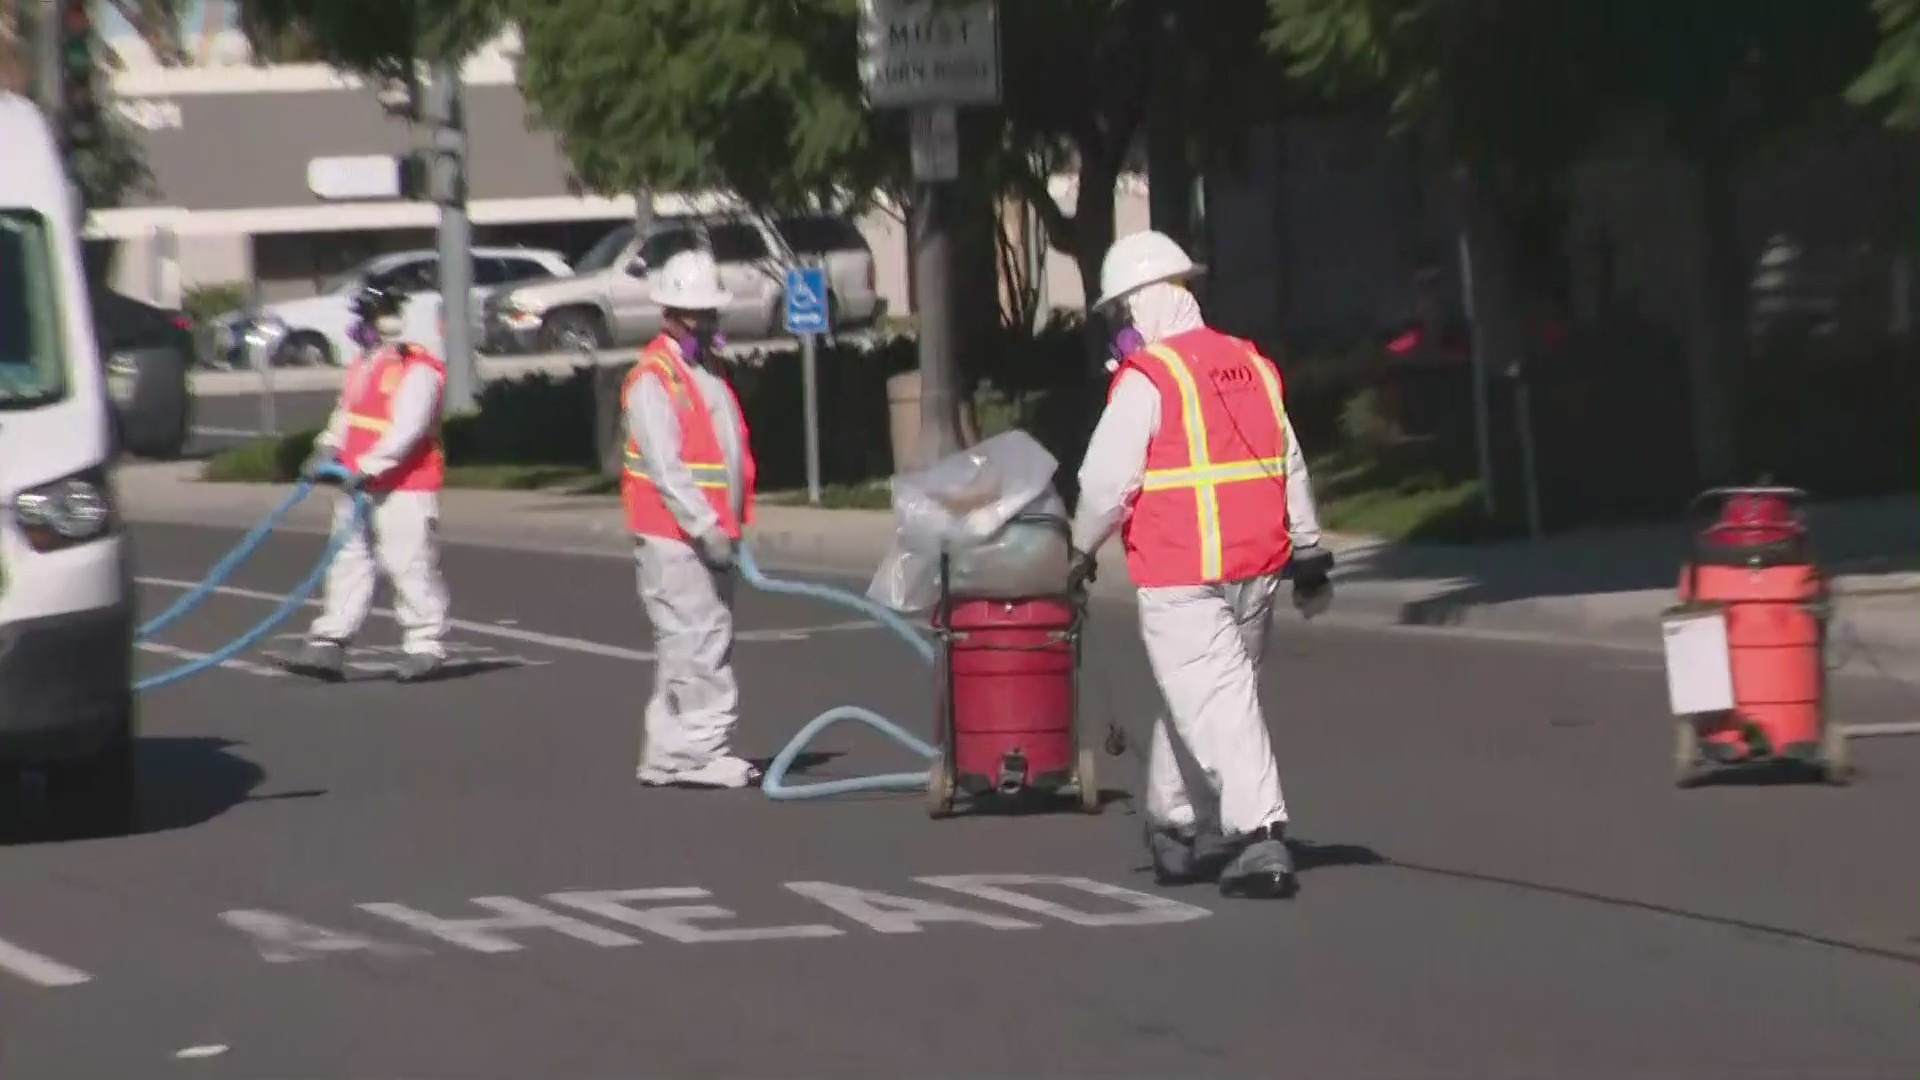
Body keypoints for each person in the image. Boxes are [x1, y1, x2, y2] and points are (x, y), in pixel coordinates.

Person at [1069, 229, 1335, 900]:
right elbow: (1289, 459)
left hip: (1181, 575)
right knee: (1210, 698)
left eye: (1120, 316)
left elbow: (1105, 483)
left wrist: (1078, 549)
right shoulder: (1248, 362)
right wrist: (1307, 547)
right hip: (1253, 569)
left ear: (1141, 305)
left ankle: (1259, 835)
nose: (1119, 332)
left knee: (1214, 699)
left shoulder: (1148, 378)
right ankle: (1174, 823)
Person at [622, 249, 761, 789]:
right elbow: (667, 465)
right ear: (673, 315)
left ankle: (670, 751)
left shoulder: (702, 372)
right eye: (697, 315)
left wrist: (724, 524)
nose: (706, 324)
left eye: (710, 315)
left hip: (703, 533)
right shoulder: (654, 379)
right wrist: (704, 524)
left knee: (685, 641)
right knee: (700, 638)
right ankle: (701, 749)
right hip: (675, 534)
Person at [287, 281, 450, 683]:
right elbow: (347, 413)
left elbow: (407, 429)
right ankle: (331, 640)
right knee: (347, 559)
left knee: (407, 562)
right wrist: (327, 448)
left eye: (368, 318)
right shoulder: (366, 363)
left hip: (403, 486)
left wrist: (371, 466)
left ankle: (424, 643)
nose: (361, 326)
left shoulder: (418, 370)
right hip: (356, 480)